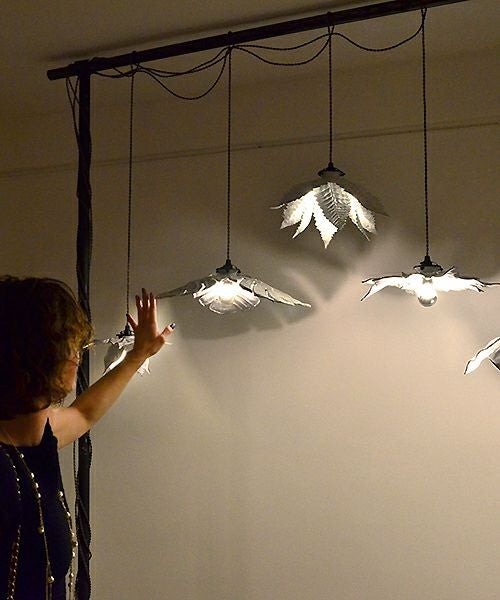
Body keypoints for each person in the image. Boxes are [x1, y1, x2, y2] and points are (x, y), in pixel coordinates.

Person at [0, 276, 174, 600]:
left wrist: (137, 355)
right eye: (69, 344)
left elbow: (84, 413)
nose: (77, 356)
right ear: (36, 353)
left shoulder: (39, 433)